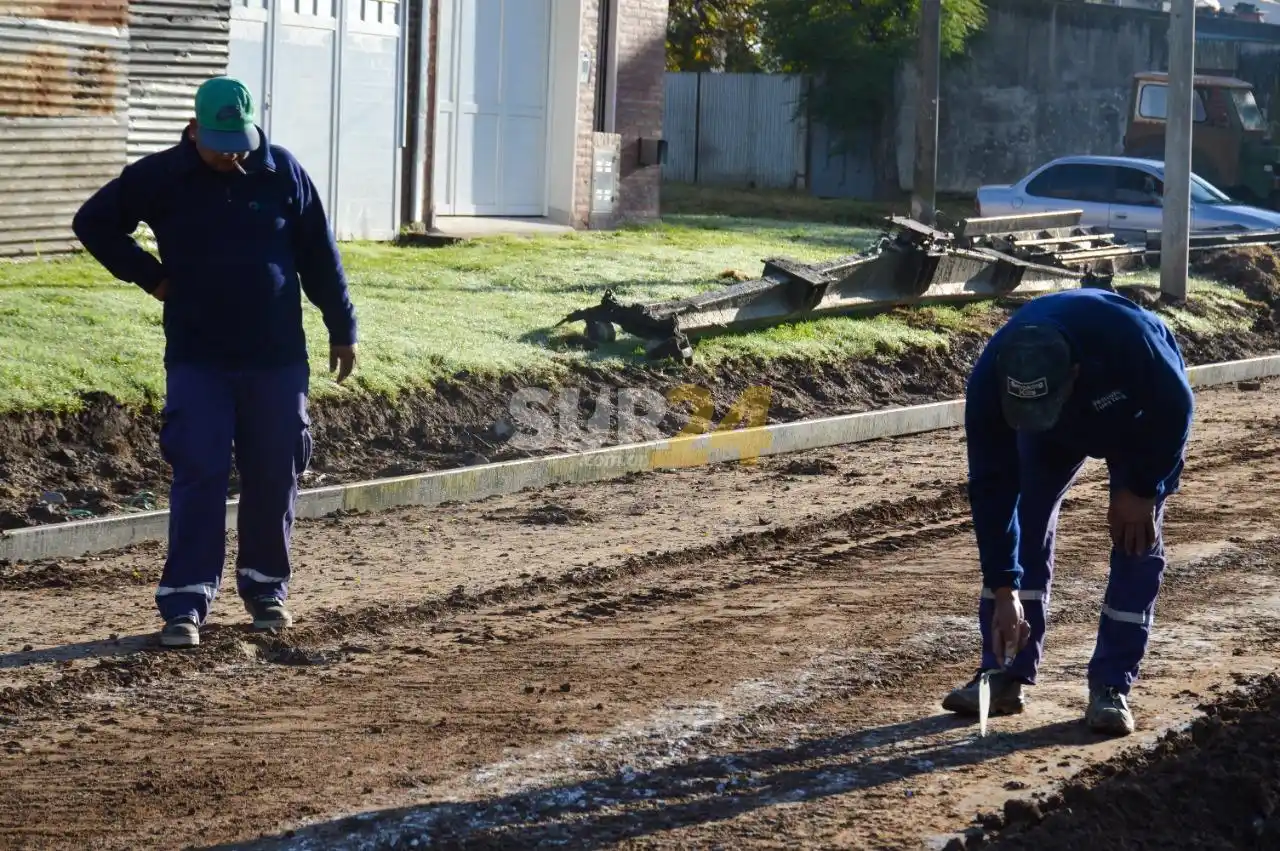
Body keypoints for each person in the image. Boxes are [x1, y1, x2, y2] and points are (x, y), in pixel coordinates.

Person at [72, 76, 358, 649]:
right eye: (220, 141)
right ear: (194, 128)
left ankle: (265, 588)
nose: (232, 154)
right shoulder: (161, 177)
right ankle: (186, 601)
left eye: (240, 141)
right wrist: (151, 276)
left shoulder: (283, 172)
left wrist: (342, 326)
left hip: (276, 355)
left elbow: (319, 255)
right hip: (199, 355)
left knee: (276, 469)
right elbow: (94, 223)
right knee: (199, 471)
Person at [940, 287, 1193, 736]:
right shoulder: (991, 380)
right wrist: (1004, 588)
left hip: (1135, 425)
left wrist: (1144, 490)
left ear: (1074, 373)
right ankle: (1003, 675)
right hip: (1051, 435)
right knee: (1026, 519)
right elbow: (993, 489)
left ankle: (1110, 688)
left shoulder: (1130, 342)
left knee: (1136, 538)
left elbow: (1175, 411)